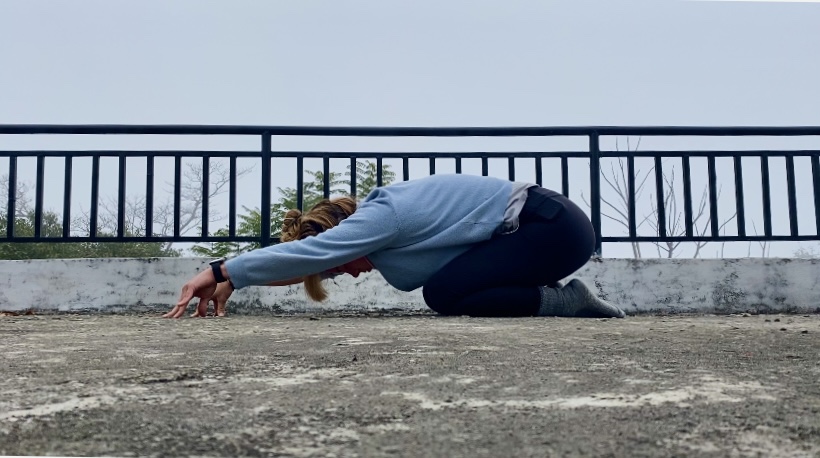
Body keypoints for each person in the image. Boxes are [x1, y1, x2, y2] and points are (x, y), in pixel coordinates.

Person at [165, 174, 626, 319]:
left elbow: (311, 256)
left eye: (337, 266)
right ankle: (560, 296)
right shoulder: (380, 233)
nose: (346, 273)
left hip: (551, 227)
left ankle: (566, 300)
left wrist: (221, 269)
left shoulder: (380, 216)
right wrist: (240, 282)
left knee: (444, 292)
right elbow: (308, 264)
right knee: (448, 290)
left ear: (343, 238)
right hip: (544, 234)